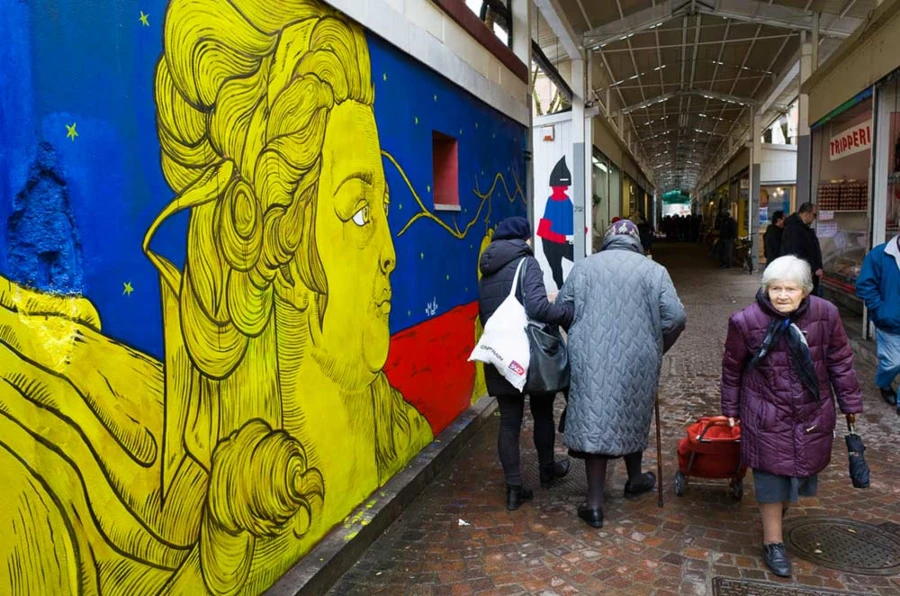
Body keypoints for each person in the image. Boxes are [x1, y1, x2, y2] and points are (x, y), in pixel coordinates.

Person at [721, 256, 863, 578]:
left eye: (790, 289)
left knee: (798, 474)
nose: (782, 295)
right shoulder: (746, 320)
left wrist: (850, 401)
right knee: (771, 476)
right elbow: (732, 368)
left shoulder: (825, 315)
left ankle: (779, 515)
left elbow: (840, 360)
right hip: (766, 411)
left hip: (811, 412)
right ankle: (774, 542)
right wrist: (730, 409)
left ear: (805, 291)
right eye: (775, 288)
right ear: (765, 288)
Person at [558, 220, 686, 528]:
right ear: (637, 242)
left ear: (607, 240)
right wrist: (658, 347)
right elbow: (677, 317)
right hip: (638, 358)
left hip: (590, 356)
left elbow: (563, 308)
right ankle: (635, 478)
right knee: (633, 412)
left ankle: (594, 504)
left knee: (595, 419)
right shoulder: (654, 271)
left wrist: (578, 336)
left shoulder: (584, 268)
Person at [478, 216, 575, 511]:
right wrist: (564, 312)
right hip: (528, 353)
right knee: (542, 411)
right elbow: (536, 307)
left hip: (500, 354)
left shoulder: (487, 269)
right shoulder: (526, 263)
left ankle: (514, 488)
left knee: (509, 421)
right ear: (524, 239)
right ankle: (547, 470)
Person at [855, 235, 900, 411]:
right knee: (893, 362)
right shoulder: (880, 254)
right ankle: (884, 382)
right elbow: (865, 285)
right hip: (890, 322)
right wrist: (880, 310)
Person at [537, 157, 575, 290]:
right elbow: (565, 223)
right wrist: (580, 229)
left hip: (549, 240)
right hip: (553, 240)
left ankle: (562, 289)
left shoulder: (554, 200)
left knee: (556, 269)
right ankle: (564, 289)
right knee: (559, 269)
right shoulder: (562, 201)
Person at [781, 203, 823, 295]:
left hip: (806, 273)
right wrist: (814, 267)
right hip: (800, 274)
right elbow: (796, 253)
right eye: (814, 214)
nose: (815, 218)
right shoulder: (793, 229)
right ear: (806, 214)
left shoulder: (803, 228)